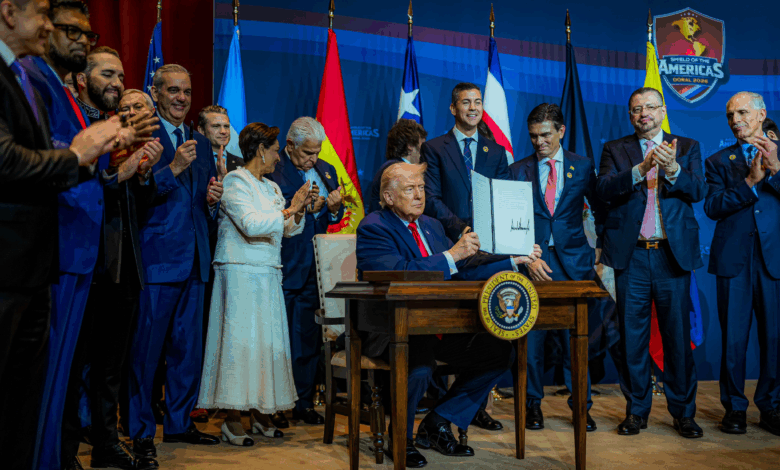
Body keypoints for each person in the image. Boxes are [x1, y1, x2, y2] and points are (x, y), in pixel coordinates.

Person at [0, 1, 138, 467]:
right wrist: (90, 150)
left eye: (87, 34)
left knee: (55, 376)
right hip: (42, 247)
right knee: (37, 383)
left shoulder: (45, 82)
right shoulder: (31, 77)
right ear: (9, 13)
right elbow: (36, 155)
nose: (79, 39)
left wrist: (106, 149)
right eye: (67, 29)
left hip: (67, 247)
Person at [356, 162, 540, 468]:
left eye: (422, 188)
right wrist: (452, 254)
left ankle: (439, 420)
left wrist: (513, 260)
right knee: (419, 367)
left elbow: (460, 272)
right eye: (410, 189)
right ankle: (399, 437)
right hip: (394, 329)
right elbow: (399, 273)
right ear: (388, 197)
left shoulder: (432, 225)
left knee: (498, 352)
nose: (419, 195)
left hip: (438, 326)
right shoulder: (374, 227)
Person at [597, 87, 707, 438]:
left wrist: (672, 168)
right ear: (630, 116)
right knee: (632, 339)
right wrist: (639, 169)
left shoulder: (686, 146)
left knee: (677, 338)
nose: (643, 113)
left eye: (649, 107)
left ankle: (683, 413)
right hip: (631, 256)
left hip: (671, 255)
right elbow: (603, 190)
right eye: (635, 109)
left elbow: (698, 191)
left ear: (662, 111)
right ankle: (636, 411)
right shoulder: (615, 149)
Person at [128, 63, 223, 466]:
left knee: (187, 351)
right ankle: (140, 432)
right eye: (173, 90)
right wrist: (173, 169)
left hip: (196, 260)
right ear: (156, 93)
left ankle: (180, 423)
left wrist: (212, 201)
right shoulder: (143, 136)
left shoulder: (199, 142)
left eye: (186, 91)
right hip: (157, 261)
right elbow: (136, 198)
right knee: (146, 353)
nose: (181, 98)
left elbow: (199, 203)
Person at [198, 122, 315, 445]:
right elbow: (250, 225)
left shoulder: (271, 187)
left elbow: (287, 229)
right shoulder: (236, 181)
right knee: (239, 346)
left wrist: (299, 211)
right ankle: (232, 418)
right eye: (275, 151)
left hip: (267, 272)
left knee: (265, 346)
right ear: (261, 150)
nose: (278, 157)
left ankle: (261, 412)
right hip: (239, 272)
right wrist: (290, 209)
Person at [509, 103, 602, 433]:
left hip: (573, 266)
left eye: (546, 135)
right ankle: (531, 405)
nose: (539, 142)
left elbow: (600, 208)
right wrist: (526, 256)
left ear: (561, 131)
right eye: (534, 136)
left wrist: (601, 251)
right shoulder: (517, 170)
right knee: (531, 342)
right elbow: (509, 222)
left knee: (574, 342)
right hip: (532, 265)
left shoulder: (583, 165)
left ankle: (581, 407)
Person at [703, 91, 780, 436]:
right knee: (733, 341)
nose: (736, 120)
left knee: (774, 339)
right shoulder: (718, 161)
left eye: (743, 113)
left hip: (773, 261)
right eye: (730, 115)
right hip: (733, 262)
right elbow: (712, 207)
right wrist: (750, 182)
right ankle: (734, 408)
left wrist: (775, 170)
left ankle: (771, 406)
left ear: (762, 114)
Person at [266, 116, 344, 427]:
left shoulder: (327, 169)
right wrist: (303, 208)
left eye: (317, 151)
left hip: (316, 266)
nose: (314, 158)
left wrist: (334, 208)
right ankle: (274, 405)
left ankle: (303, 401)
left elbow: (332, 217)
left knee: (309, 339)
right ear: (289, 145)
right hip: (285, 265)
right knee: (279, 339)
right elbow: (270, 213)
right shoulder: (273, 168)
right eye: (308, 152)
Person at [422, 82, 510, 242]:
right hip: (447, 239)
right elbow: (431, 198)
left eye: (477, 102)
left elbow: (502, 198)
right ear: (453, 109)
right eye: (466, 102)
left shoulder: (497, 152)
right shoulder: (434, 149)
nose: (473, 108)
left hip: (487, 240)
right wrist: (461, 229)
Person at [367, 118, 426, 214]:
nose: (425, 150)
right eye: (422, 145)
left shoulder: (392, 165)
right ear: (410, 145)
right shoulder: (398, 170)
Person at [197, 104, 244, 172]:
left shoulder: (242, 164)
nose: (223, 131)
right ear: (201, 130)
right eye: (216, 126)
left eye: (226, 126)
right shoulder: (190, 160)